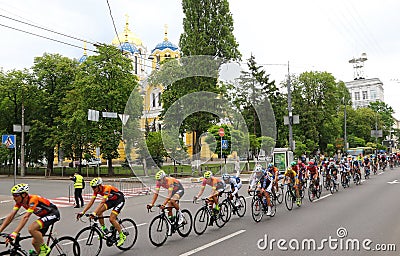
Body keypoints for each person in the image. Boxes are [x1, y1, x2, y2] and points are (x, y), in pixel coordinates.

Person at [0, 183, 60, 256]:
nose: (13, 198)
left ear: (24, 195)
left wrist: (15, 233)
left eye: (16, 195)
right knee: (35, 242)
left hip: (53, 213)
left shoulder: (33, 200)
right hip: (44, 217)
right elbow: (11, 216)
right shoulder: (20, 202)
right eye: (13, 195)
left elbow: (26, 217)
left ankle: (45, 249)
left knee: (32, 228)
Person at [77, 177, 126, 247]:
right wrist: (83, 212)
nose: (93, 189)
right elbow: (91, 202)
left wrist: (94, 213)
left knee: (112, 219)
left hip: (119, 200)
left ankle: (122, 236)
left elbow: (102, 202)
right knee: (99, 212)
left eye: (94, 187)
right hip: (112, 200)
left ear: (99, 186)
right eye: (92, 187)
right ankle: (104, 229)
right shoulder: (96, 191)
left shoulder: (107, 188)